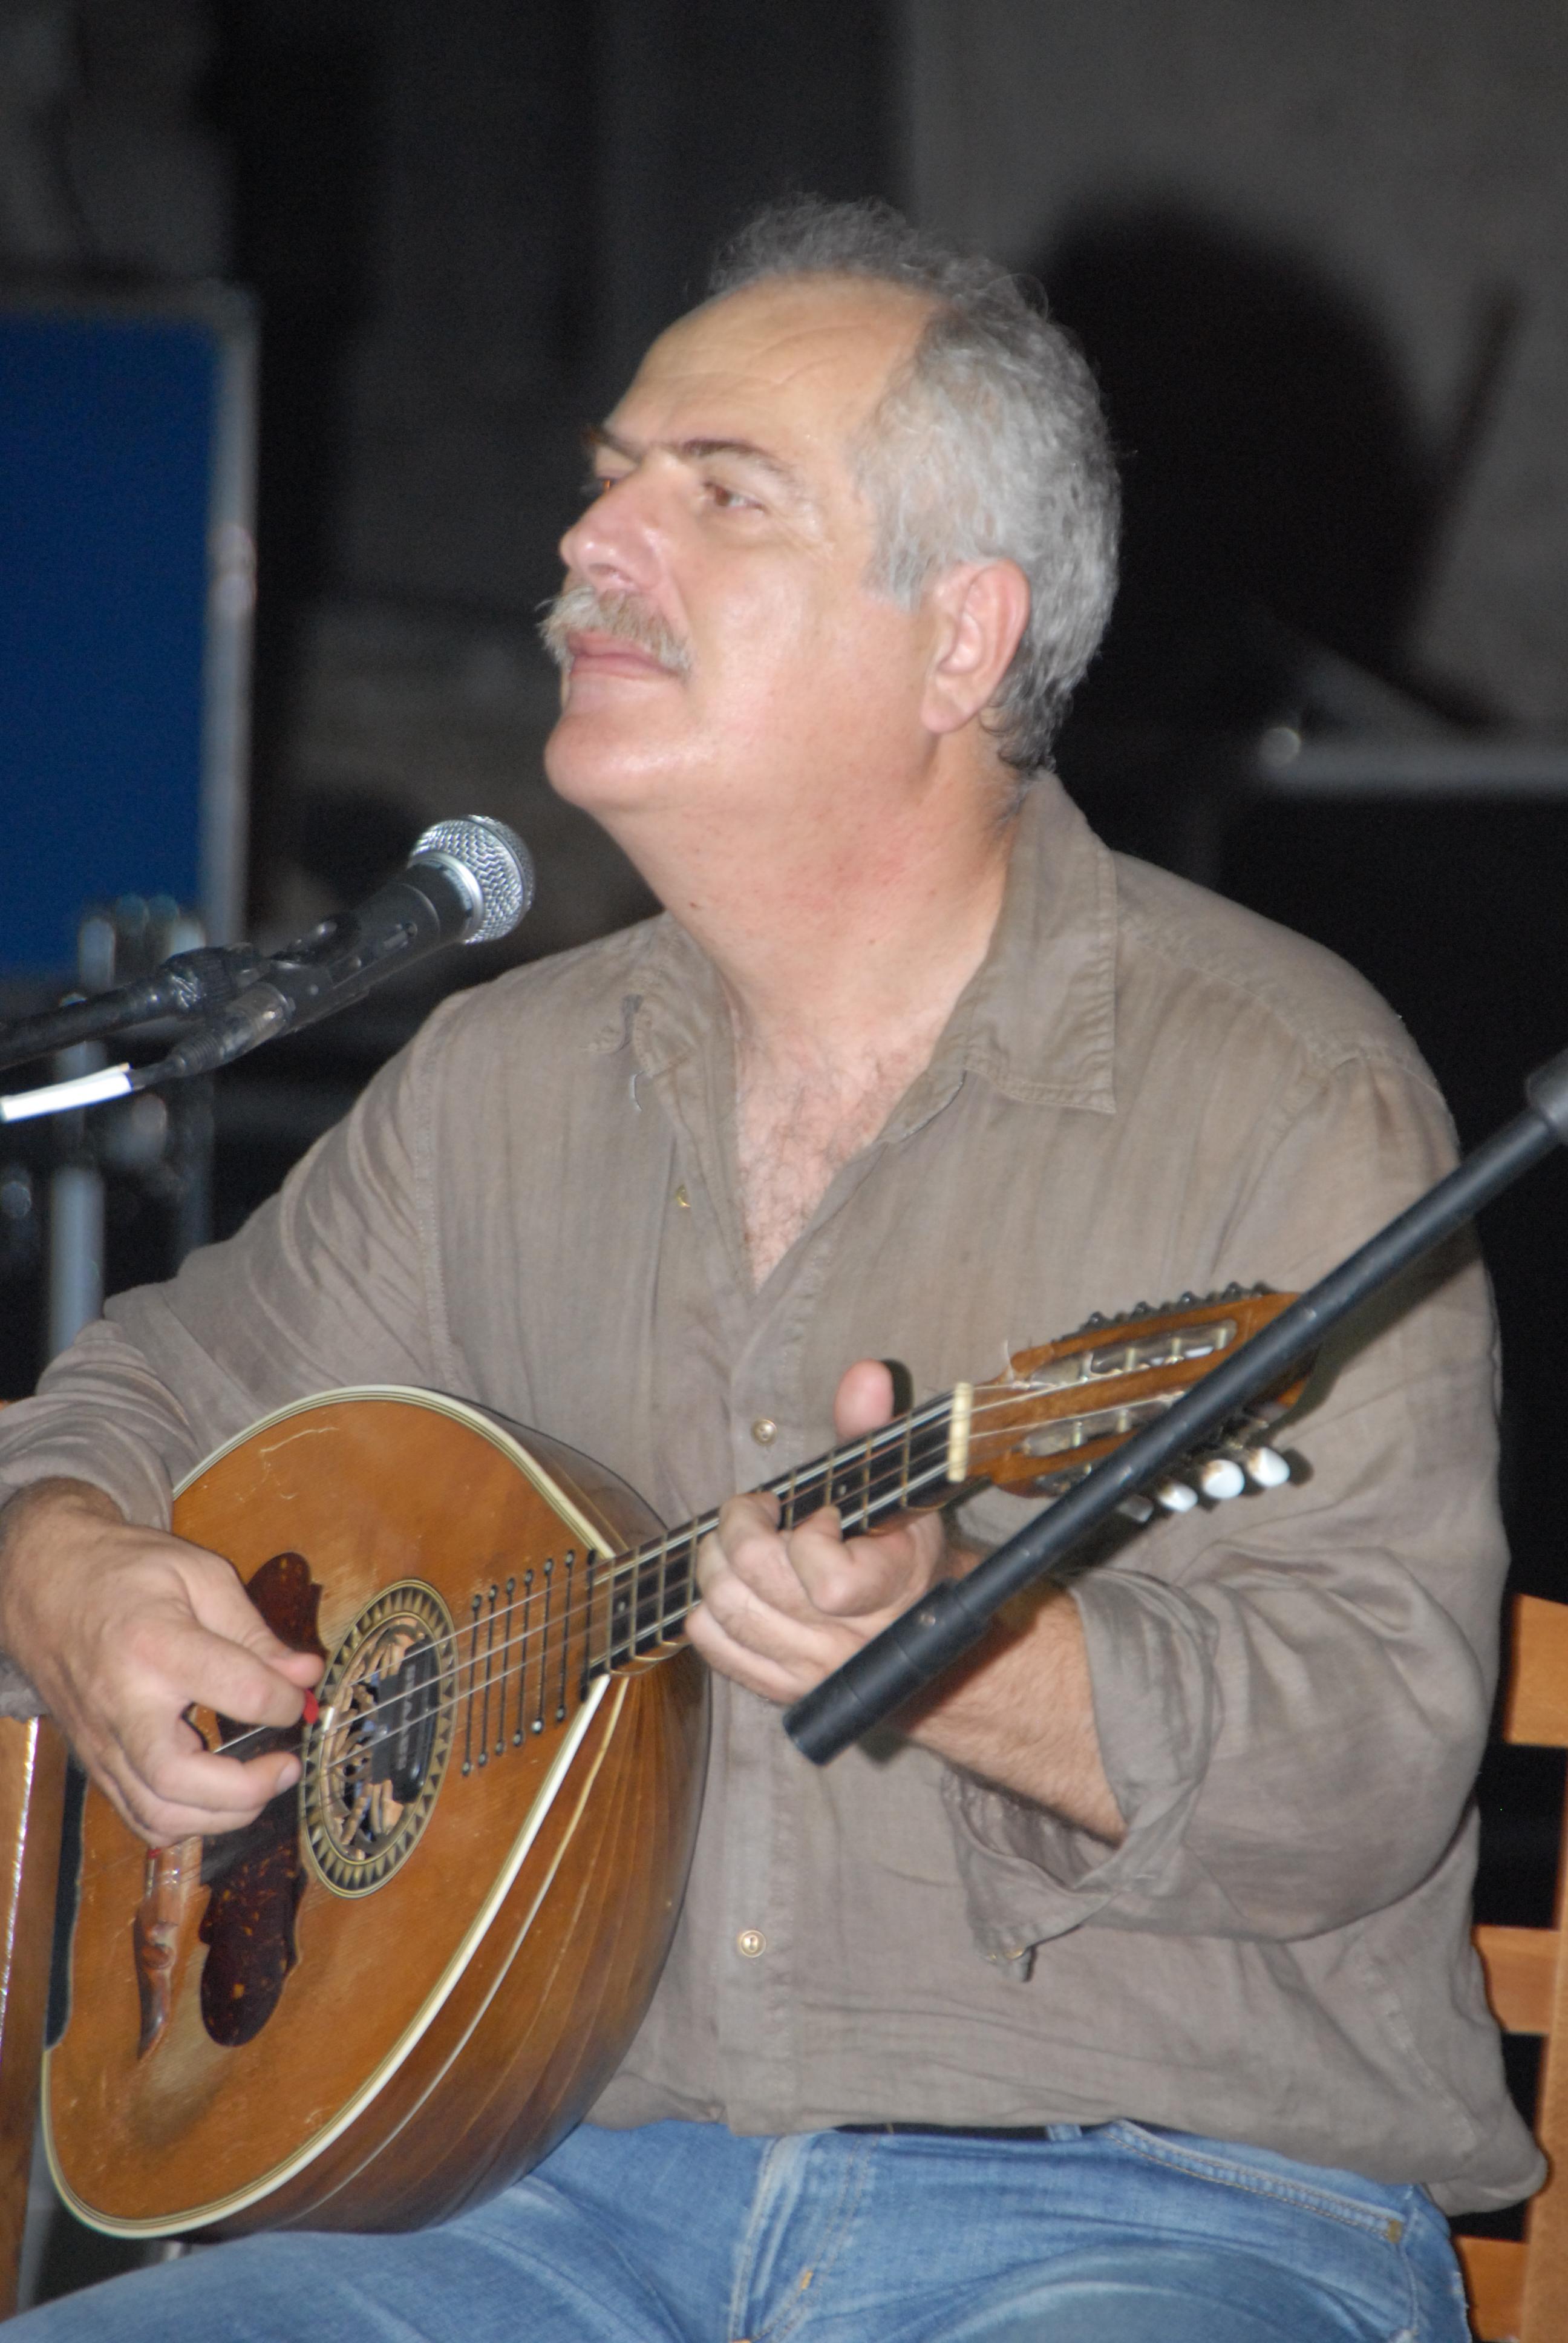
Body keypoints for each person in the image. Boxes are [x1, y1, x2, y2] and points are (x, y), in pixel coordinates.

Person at [0, 198, 1537, 2339]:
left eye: (721, 493)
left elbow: (1374, 1751)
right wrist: (67, 1571)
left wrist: (968, 1659)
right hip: (526, 2202)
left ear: (961, 642)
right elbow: (138, 1398)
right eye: (610, 477)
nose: (591, 544)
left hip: (1154, 2212)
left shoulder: (1281, 1087)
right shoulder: (498, 1084)